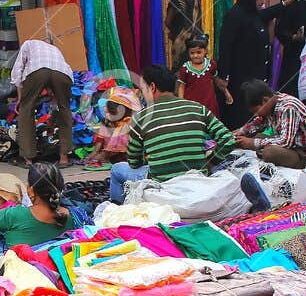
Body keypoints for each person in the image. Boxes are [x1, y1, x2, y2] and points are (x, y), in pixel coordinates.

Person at [111, 65, 244, 203]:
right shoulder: (197, 108)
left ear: (152, 87)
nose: (142, 94)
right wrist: (209, 163)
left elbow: (133, 163)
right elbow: (228, 140)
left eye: (143, 88)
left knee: (116, 170)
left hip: (162, 184)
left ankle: (121, 211)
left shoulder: (141, 118)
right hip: (197, 178)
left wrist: (153, 158)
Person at [217, 0, 289, 128]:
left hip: (255, 74)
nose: (262, 1)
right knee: (240, 113)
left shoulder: (254, 14)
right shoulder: (235, 16)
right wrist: (224, 75)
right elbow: (225, 46)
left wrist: (283, 5)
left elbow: (266, 14)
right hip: (240, 75)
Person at [0, 162, 71, 248]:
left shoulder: (15, 215)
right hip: (56, 264)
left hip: (18, 265)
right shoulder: (75, 216)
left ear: (31, 190)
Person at [10, 36, 74, 167]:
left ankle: (28, 158)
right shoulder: (56, 49)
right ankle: (64, 158)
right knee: (65, 110)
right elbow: (55, 76)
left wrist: (21, 99)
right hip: (63, 73)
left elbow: (18, 70)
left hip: (38, 69)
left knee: (26, 110)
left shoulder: (28, 43)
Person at [234, 80, 306, 170]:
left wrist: (252, 143)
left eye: (256, 111)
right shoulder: (270, 107)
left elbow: (286, 142)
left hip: (302, 154)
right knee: (258, 137)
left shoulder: (289, 107)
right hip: (289, 147)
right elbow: (256, 123)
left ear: (265, 100)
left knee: (269, 152)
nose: (256, 114)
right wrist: (240, 132)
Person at [177, 35, 233, 118]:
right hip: (192, 104)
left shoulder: (211, 65)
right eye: (192, 53)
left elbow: (217, 80)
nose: (195, 55)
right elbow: (181, 86)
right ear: (188, 53)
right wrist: (181, 103)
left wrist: (226, 93)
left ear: (205, 51)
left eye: (199, 52)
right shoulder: (185, 68)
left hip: (209, 102)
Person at [89, 86, 140, 166]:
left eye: (111, 113)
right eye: (107, 113)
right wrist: (94, 152)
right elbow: (100, 140)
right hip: (109, 152)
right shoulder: (106, 123)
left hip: (128, 152)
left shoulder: (128, 122)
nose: (107, 115)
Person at [166, 0, 204, 70]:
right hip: (185, 41)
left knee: (185, 69)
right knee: (184, 68)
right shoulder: (178, 1)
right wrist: (180, 32)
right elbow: (168, 21)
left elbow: (168, 22)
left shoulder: (197, 1)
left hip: (191, 40)